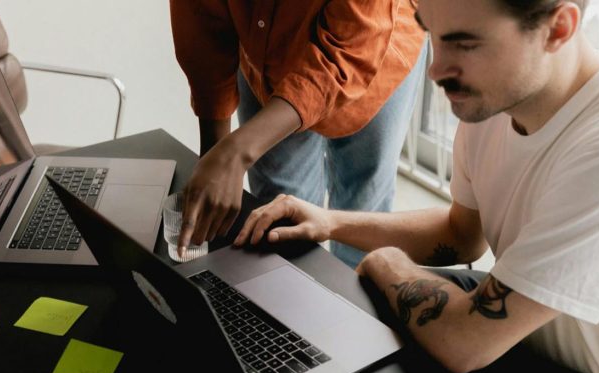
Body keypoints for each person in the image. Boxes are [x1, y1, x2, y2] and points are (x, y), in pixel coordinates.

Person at [233, 0, 599, 373]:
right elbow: (460, 234)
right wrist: (331, 222)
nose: (436, 70)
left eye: (464, 44)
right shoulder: (496, 97)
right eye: (431, 34)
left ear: (558, 29)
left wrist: (386, 263)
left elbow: (465, 343)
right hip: (521, 340)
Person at [169, 0, 427, 267]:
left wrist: (236, 153)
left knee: (362, 210)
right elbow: (200, 14)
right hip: (267, 55)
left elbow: (349, 51)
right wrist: (217, 151)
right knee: (278, 217)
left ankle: (351, 304)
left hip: (374, 53)